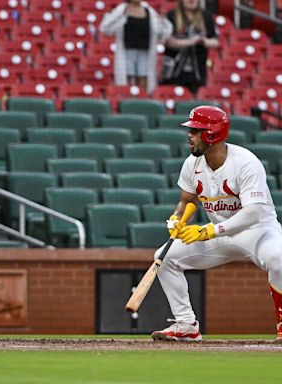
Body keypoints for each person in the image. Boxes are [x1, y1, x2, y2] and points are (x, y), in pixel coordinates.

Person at [152, 105, 282, 342]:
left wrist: (210, 230)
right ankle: (186, 324)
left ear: (212, 134)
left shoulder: (245, 162)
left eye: (195, 130)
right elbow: (187, 201)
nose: (189, 135)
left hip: (258, 230)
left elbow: (253, 212)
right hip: (220, 234)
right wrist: (176, 219)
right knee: (165, 257)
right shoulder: (192, 165)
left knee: (279, 258)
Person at [99, 0, 173, 94]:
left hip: (145, 52)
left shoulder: (149, 11)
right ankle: (127, 98)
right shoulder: (122, 9)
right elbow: (106, 28)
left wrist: (163, 20)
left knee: (144, 78)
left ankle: (143, 99)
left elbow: (163, 32)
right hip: (126, 52)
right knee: (127, 78)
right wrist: (121, 19)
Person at [160, 0, 219, 94]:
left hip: (198, 71)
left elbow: (215, 42)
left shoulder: (206, 16)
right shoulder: (172, 15)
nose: (191, 0)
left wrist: (204, 41)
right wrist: (191, 41)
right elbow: (167, 42)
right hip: (174, 71)